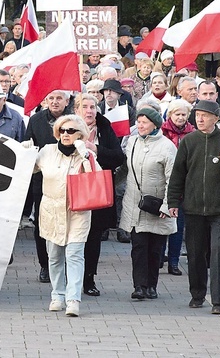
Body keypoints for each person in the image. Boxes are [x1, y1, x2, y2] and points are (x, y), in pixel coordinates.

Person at [167, 100, 220, 315]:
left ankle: (219, 301)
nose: (200, 119)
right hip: (193, 207)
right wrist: (173, 201)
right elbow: (178, 174)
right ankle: (197, 293)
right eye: (197, 115)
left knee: (218, 253)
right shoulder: (189, 141)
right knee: (195, 253)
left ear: (215, 118)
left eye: (205, 115)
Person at [35, 114, 91, 316]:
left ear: (80, 134)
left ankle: (73, 299)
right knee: (55, 256)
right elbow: (27, 168)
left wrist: (85, 155)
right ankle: (57, 295)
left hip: (78, 211)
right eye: (63, 131)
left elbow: (96, 177)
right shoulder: (47, 151)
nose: (66, 134)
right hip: (52, 210)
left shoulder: (85, 153)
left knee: (75, 255)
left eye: (71, 131)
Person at [120, 108, 177, 300]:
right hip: (136, 204)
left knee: (155, 249)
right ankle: (139, 286)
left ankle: (152, 285)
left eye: (144, 122)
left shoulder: (167, 147)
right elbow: (124, 169)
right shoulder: (132, 142)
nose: (140, 125)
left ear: (155, 124)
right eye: (138, 121)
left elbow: (173, 179)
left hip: (157, 206)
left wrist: (167, 205)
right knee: (138, 247)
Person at [73, 93, 125, 296]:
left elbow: (118, 157)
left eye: (92, 107)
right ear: (77, 110)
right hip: (74, 188)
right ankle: (71, 278)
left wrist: (95, 148)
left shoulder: (104, 128)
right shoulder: (69, 127)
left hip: (97, 189)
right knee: (75, 236)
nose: (89, 111)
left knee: (93, 236)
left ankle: (89, 279)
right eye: (84, 107)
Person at [25, 90, 73, 284]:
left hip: (70, 181)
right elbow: (29, 147)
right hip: (43, 181)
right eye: (51, 98)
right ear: (45, 100)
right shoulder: (36, 120)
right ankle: (45, 265)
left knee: (69, 224)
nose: (54, 102)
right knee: (42, 224)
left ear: (66, 101)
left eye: (59, 98)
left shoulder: (73, 120)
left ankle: (68, 264)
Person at [160, 99, 194, 275]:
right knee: (160, 223)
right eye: (177, 114)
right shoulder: (161, 132)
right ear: (170, 115)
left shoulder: (193, 133)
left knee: (177, 226)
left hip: (184, 185)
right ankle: (159, 258)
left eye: (183, 114)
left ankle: (173, 261)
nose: (180, 117)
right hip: (163, 183)